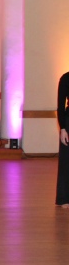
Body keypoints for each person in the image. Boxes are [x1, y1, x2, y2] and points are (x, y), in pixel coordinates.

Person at [57, 70, 69, 208]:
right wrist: (63, 128)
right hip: (68, 122)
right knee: (66, 161)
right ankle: (65, 198)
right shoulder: (66, 78)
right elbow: (60, 105)